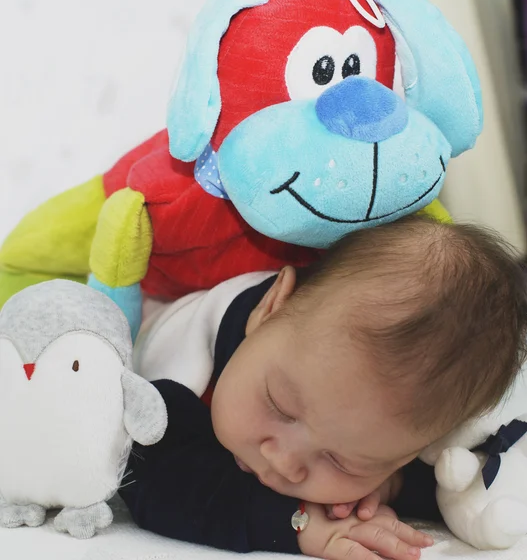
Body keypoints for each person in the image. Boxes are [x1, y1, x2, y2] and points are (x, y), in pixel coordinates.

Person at [120, 215, 527, 560]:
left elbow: (434, 483)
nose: (284, 462)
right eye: (280, 407)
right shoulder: (200, 366)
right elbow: (147, 473)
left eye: (341, 461)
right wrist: (298, 521)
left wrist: (388, 487)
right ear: (271, 309)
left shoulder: (384, 426)